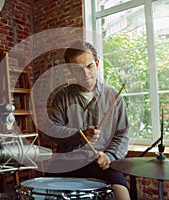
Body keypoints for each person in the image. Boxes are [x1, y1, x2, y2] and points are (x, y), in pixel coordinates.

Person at [44, 40, 130, 200]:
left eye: (89, 66)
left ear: (96, 64)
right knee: (42, 192)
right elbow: (53, 129)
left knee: (121, 193)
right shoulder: (62, 97)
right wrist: (80, 135)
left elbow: (122, 134)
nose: (85, 73)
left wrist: (109, 156)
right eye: (78, 69)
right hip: (68, 161)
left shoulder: (114, 97)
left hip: (102, 162)